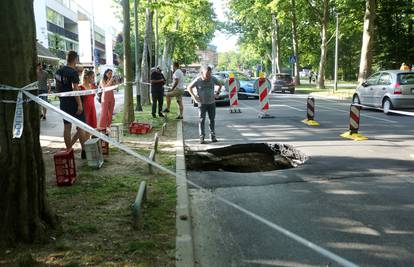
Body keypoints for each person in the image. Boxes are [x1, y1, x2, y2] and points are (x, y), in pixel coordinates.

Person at [55, 50, 87, 157]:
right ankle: (84, 151)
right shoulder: (73, 72)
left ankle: (69, 151)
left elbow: (58, 88)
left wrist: (61, 100)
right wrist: (80, 104)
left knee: (67, 127)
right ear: (75, 59)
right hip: (74, 103)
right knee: (81, 126)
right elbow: (75, 89)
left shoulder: (58, 71)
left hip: (64, 103)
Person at [187, 65, 222, 144]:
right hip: (202, 104)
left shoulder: (213, 78)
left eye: (210, 74)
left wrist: (217, 93)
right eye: (207, 74)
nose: (208, 76)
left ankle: (213, 136)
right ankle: (202, 137)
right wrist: (194, 97)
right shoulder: (198, 80)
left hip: (212, 103)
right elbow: (189, 87)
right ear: (202, 73)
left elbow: (220, 84)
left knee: (212, 120)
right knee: (201, 120)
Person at [79, 70, 97, 134]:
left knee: (91, 129)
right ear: (87, 77)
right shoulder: (80, 87)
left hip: (92, 109)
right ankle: (70, 143)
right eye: (92, 77)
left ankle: (88, 143)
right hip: (85, 110)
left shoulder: (92, 86)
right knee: (83, 129)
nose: (93, 79)